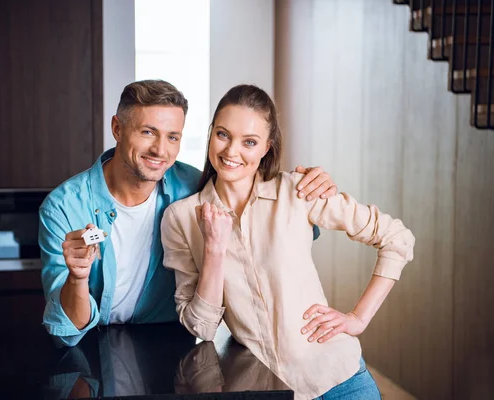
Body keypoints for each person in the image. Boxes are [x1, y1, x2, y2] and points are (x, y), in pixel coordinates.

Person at [160, 84, 415, 399]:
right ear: (211, 132)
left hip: (341, 381)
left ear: (267, 147)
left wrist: (357, 318)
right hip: (267, 390)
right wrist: (214, 248)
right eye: (223, 135)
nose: (231, 152)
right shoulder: (181, 218)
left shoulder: (298, 191)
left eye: (249, 142)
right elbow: (202, 328)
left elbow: (396, 238)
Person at [39, 80, 338, 348]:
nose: (160, 150)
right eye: (147, 132)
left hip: (169, 341)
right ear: (117, 128)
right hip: (91, 345)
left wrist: (309, 187)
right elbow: (68, 330)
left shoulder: (193, 188)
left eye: (173, 137)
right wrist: (78, 278)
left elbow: (266, 216)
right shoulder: (62, 208)